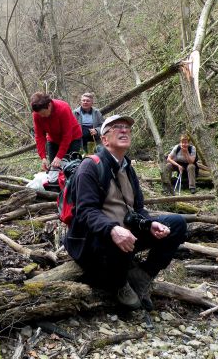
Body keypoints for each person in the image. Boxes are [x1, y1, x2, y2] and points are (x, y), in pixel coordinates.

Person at [65, 115, 187, 310]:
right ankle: (120, 283)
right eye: (117, 128)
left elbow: (138, 208)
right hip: (94, 240)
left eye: (126, 128)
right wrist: (112, 229)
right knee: (117, 236)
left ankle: (143, 275)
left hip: (126, 233)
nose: (124, 130)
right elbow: (86, 212)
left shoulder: (127, 168)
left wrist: (149, 223)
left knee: (177, 223)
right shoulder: (90, 167)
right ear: (104, 139)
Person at [30, 92, 82, 171]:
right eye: (39, 114)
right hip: (53, 139)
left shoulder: (63, 108)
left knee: (70, 167)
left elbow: (67, 135)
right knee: (54, 168)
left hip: (73, 138)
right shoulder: (37, 114)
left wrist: (59, 156)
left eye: (43, 113)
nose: (42, 116)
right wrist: (43, 157)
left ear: (49, 105)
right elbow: (39, 136)